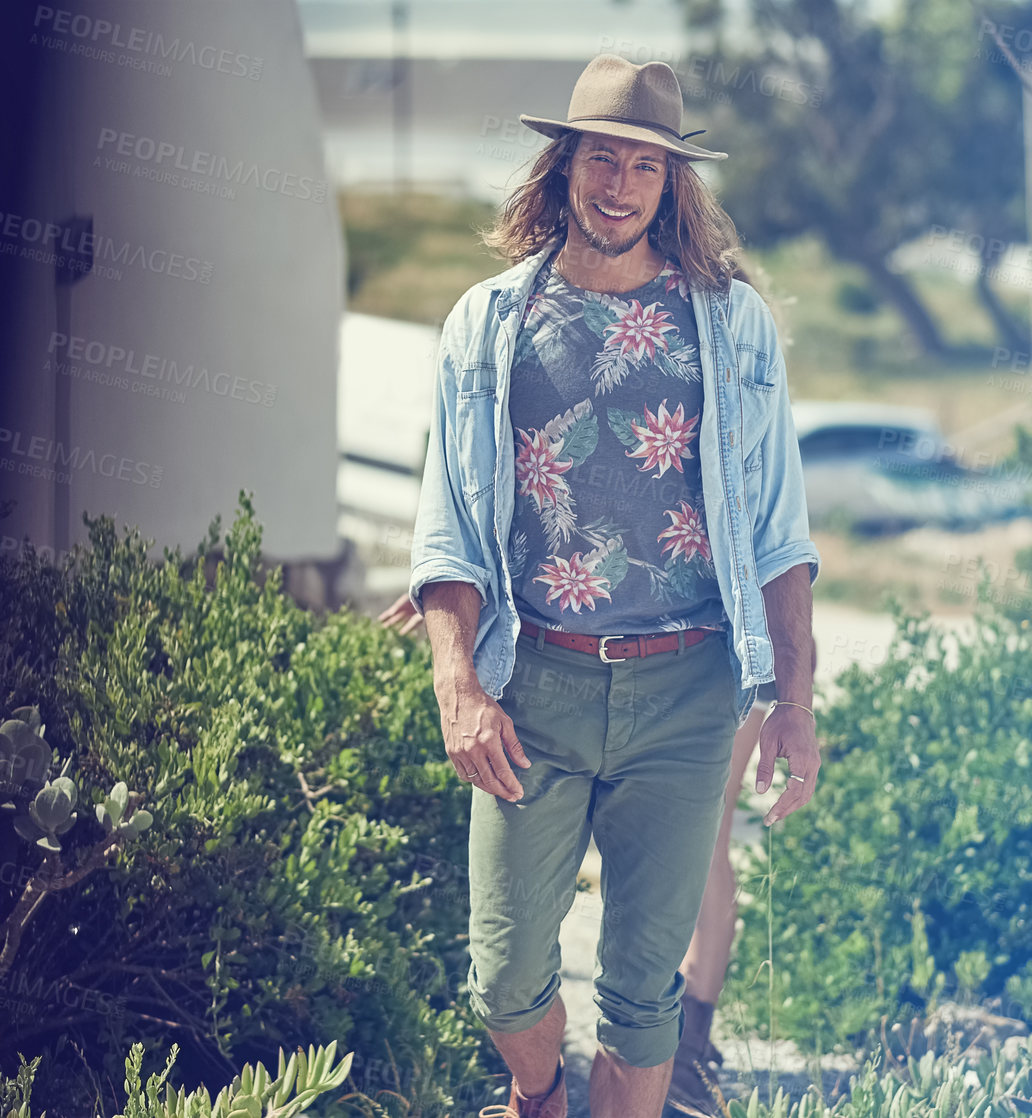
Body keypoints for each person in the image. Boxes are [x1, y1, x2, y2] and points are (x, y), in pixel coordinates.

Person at [401, 52, 823, 1118]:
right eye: (600, 159)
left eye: (644, 166)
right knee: (501, 980)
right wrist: (458, 682)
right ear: (563, 168)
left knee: (643, 999)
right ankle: (539, 1092)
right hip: (530, 680)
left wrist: (795, 705)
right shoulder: (488, 324)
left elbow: (778, 530)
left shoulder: (730, 328)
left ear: (670, 183)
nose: (618, 184)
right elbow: (446, 523)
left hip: (684, 690)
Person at [385, 590, 785, 1117]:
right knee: (510, 970)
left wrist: (794, 693)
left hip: (729, 653)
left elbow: (778, 551)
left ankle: (690, 1037)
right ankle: (633, 1057)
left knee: (710, 841)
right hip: (601, 658)